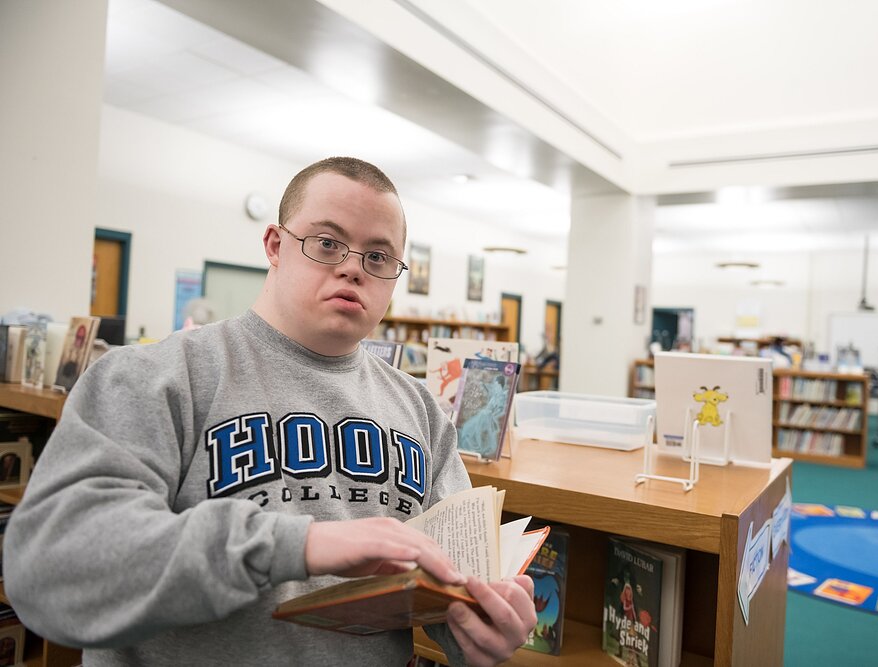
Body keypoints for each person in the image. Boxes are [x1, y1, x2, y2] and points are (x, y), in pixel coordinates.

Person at [3, 157, 536, 666]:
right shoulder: (153, 379)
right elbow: (51, 572)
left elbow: (451, 590)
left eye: (378, 257)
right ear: (275, 245)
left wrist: (483, 627)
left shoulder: (422, 412)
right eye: (327, 243)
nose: (353, 268)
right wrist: (299, 544)